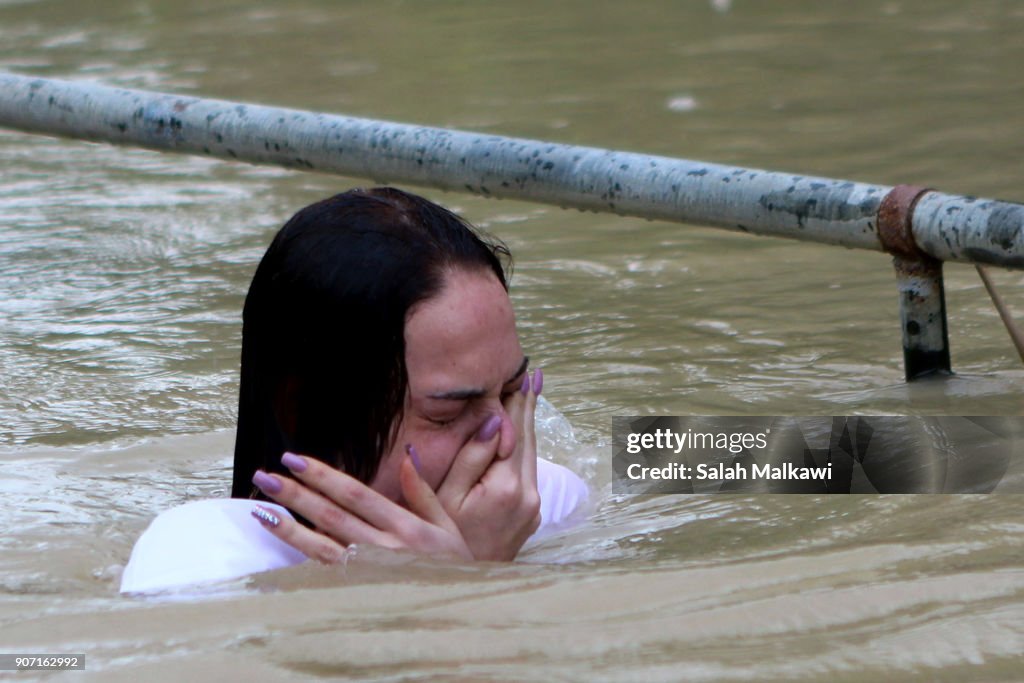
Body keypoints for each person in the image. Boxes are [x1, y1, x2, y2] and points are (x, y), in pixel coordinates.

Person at [120, 187, 589, 594]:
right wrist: (455, 586)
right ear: (303, 407)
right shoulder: (204, 556)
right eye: (446, 413)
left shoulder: (534, 501)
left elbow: (656, 469)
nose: (505, 440)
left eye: (510, 392)